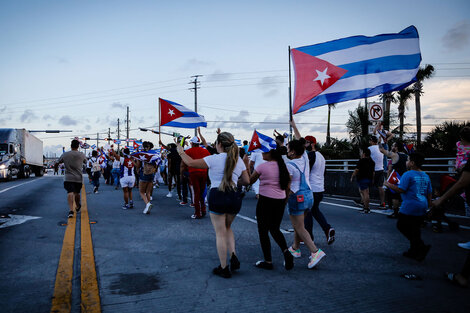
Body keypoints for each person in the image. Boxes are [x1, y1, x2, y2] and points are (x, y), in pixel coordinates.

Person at [177, 132, 250, 278]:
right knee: (228, 228)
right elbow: (247, 181)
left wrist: (180, 151)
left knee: (220, 233)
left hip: (218, 194)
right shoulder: (238, 160)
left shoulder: (213, 159)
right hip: (234, 195)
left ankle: (224, 267)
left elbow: (190, 163)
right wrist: (234, 181)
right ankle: (233, 255)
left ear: (220, 144)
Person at [245, 148, 294, 270]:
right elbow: (288, 186)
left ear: (270, 154)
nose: (262, 154)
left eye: (264, 152)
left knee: (263, 230)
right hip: (280, 200)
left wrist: (247, 168)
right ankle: (286, 252)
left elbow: (250, 181)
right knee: (275, 229)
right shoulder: (283, 166)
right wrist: (284, 201)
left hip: (265, 200)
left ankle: (268, 261)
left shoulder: (263, 167)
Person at [285, 139, 326, 269]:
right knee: (299, 224)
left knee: (299, 226)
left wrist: (283, 199)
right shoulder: (305, 159)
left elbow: (288, 185)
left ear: (292, 152)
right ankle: (295, 248)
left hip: (297, 197)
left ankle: (315, 251)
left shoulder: (290, 165)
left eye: (288, 148)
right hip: (309, 195)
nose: (286, 151)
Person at [384, 153, 432, 262]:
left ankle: (420, 246)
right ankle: (414, 250)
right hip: (422, 205)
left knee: (402, 225)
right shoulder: (426, 175)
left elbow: (401, 190)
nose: (406, 162)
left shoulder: (408, 174)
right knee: (415, 228)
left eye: (408, 160)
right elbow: (429, 192)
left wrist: (388, 184)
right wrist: (429, 206)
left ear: (412, 163)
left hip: (410, 206)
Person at [303, 135, 335, 245]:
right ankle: (327, 229)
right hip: (320, 189)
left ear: (312, 143)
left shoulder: (311, 155)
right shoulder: (321, 156)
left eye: (306, 143)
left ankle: (308, 237)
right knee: (315, 210)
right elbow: (324, 172)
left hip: (311, 188)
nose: (304, 145)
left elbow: (306, 171)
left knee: (307, 212)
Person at [57, 140, 87, 218]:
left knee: (70, 192)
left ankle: (71, 210)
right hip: (78, 178)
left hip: (68, 177)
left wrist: (56, 166)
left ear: (71, 146)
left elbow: (58, 162)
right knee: (77, 193)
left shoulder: (65, 154)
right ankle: (77, 206)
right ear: (78, 146)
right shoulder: (82, 155)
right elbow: (86, 162)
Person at [379, 140, 408, 218]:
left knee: (395, 196)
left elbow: (381, 150)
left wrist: (380, 142)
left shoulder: (395, 155)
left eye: (393, 146)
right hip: (405, 177)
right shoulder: (406, 156)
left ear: (396, 147)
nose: (391, 147)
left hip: (396, 177)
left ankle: (396, 212)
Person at [185, 136, 211, 218]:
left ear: (192, 143)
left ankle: (197, 213)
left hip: (193, 172)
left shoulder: (188, 151)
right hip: (204, 172)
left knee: (196, 192)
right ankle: (203, 210)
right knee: (202, 192)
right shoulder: (205, 151)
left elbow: (184, 162)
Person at [136, 141, 158, 214]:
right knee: (148, 192)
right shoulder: (153, 153)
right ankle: (147, 207)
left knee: (142, 192)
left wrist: (134, 163)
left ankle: (148, 204)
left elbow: (138, 165)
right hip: (151, 173)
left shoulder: (142, 154)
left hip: (144, 173)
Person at [351, 149, 375, 213]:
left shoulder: (361, 161)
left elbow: (356, 170)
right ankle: (366, 207)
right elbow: (373, 172)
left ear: (364, 154)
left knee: (365, 194)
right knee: (366, 192)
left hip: (362, 178)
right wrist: (372, 179)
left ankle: (366, 208)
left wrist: (352, 176)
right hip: (369, 178)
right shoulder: (372, 162)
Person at [369, 136, 386, 208]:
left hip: (372, 170)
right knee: (380, 186)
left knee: (367, 186)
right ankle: (382, 203)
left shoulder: (369, 148)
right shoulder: (381, 148)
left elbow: (365, 158)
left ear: (372, 141)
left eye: (370, 141)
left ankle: (364, 201)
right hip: (381, 169)